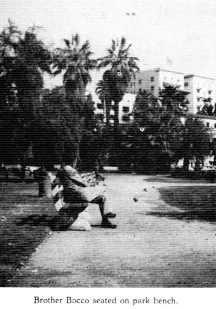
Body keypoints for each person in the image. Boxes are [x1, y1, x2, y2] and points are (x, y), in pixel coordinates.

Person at [57, 157, 117, 228]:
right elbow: (82, 182)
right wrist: (92, 185)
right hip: (77, 194)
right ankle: (107, 214)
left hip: (71, 193)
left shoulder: (63, 169)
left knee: (102, 197)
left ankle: (106, 217)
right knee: (102, 190)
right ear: (73, 160)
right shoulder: (69, 169)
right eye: (76, 160)